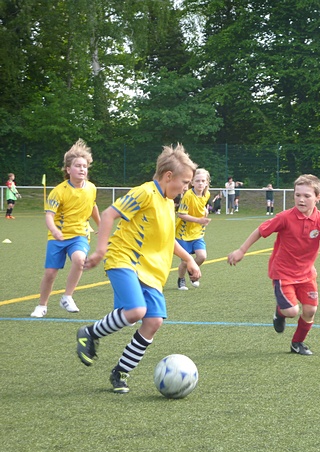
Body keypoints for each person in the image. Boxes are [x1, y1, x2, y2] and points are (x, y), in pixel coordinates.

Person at [78, 144, 201, 394]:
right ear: (168, 177)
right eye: (185, 182)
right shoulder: (145, 192)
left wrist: (188, 259)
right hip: (124, 259)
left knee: (153, 321)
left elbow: (168, 238)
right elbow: (109, 214)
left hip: (151, 271)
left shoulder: (168, 202)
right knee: (135, 311)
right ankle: (89, 332)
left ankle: (121, 371)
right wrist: (100, 250)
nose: (186, 187)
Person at [227, 174, 320, 356]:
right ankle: (280, 313)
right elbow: (260, 230)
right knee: (291, 311)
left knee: (310, 310)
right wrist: (241, 250)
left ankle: (297, 343)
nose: (301, 199)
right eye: (297, 195)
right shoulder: (285, 217)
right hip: (283, 273)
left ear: (318, 198)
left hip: (307, 274)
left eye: (307, 196)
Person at [30, 140, 101, 318]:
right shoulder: (59, 191)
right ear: (68, 169)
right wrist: (54, 230)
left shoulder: (91, 188)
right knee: (50, 273)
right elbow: (49, 215)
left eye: (84, 166)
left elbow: (93, 207)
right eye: (77, 166)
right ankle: (42, 305)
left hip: (80, 234)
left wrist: (101, 225)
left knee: (79, 260)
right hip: (58, 237)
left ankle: (67, 296)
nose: (82, 169)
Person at [176, 168, 211, 290]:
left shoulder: (207, 194)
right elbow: (181, 214)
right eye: (198, 181)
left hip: (197, 233)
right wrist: (198, 220)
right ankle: (181, 279)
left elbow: (201, 206)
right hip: (183, 234)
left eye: (203, 181)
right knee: (185, 262)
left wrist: (205, 211)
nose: (200, 183)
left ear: (207, 182)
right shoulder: (188, 196)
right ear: (192, 182)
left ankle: (192, 274)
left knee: (202, 256)